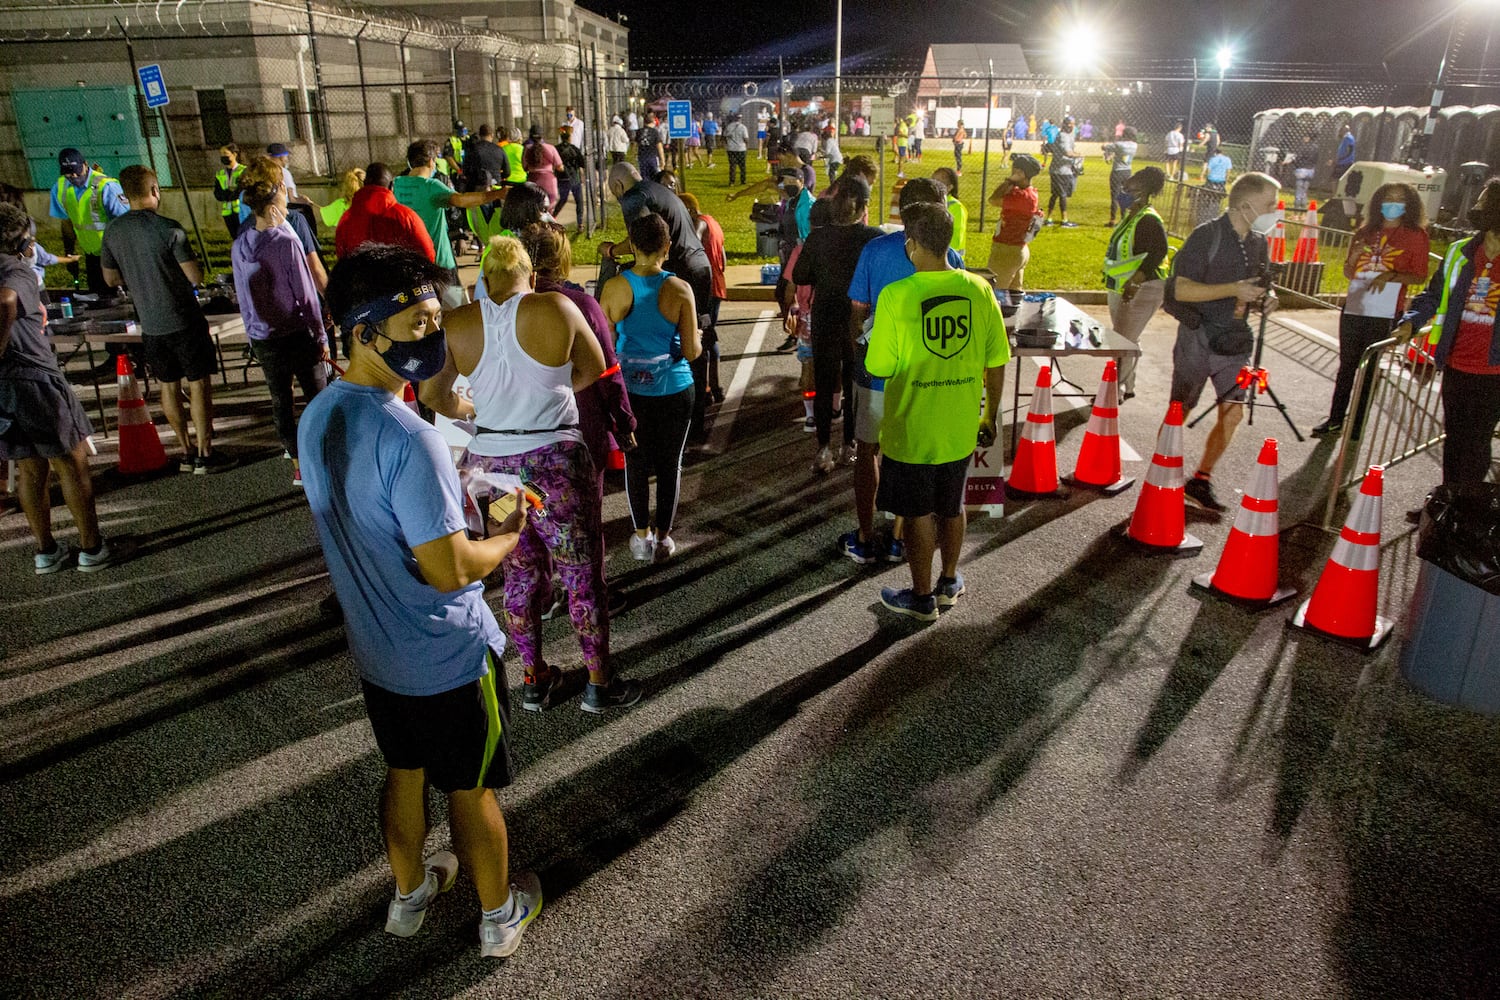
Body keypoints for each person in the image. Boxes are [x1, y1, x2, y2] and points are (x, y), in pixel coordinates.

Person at [307, 244, 540, 959]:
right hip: (446, 650)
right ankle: (499, 917)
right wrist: (505, 538)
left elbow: (374, 516)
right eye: (418, 322)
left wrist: (454, 493)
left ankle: (409, 896)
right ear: (363, 330)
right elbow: (448, 569)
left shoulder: (319, 415)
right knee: (471, 790)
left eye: (436, 317)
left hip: (379, 654)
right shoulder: (409, 438)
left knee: (404, 771)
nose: (433, 336)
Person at [422, 236, 640, 714]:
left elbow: (434, 395)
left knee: (518, 570)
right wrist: (551, 391)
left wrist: (473, 408)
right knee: (581, 572)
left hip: (496, 470)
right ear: (530, 275)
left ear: (485, 276)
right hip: (555, 462)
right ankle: (599, 682)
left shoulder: (458, 323)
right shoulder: (557, 308)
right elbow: (595, 367)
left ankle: (532, 677)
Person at [864, 201, 1009, 620]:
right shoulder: (980, 289)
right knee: (952, 503)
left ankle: (922, 596)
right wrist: (990, 415)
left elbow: (879, 365)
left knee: (915, 511)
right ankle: (949, 581)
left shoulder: (897, 296)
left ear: (911, 245)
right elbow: (996, 359)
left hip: (913, 425)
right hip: (961, 422)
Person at [843, 178, 967, 564]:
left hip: (879, 374)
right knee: (912, 456)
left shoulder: (875, 250)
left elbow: (857, 312)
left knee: (869, 450)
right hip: (929, 379)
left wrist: (860, 357)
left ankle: (865, 536)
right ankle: (900, 535)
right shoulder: (953, 261)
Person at [0, 202, 114, 573]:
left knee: (29, 468)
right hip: (34, 378)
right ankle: (91, 548)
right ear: (22, 240)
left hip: (6, 386)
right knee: (71, 460)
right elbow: (6, 301)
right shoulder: (14, 269)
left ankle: (47, 551)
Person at [1167, 172, 1281, 512]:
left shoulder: (1258, 242)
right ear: (1245, 205)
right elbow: (1179, 289)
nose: (1276, 211)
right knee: (1179, 411)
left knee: (1232, 414)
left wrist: (1267, 296)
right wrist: (1232, 289)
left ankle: (1201, 479)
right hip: (1198, 337)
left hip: (1234, 342)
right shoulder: (1207, 236)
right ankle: (1160, 476)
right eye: (1270, 205)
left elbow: (1262, 282)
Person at [100, 165, 226, 474]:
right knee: (198, 384)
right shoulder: (170, 229)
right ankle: (205, 452)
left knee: (167, 386)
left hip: (151, 324)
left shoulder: (113, 231)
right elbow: (195, 276)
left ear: (124, 195)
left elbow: (110, 278)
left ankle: (184, 451)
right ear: (155, 190)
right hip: (184, 318)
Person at [600, 214, 703, 562]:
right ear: (667, 246)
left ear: (632, 244)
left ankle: (641, 536)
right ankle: (663, 537)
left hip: (630, 393)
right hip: (674, 388)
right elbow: (691, 351)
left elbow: (604, 345)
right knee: (670, 464)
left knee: (636, 463)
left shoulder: (614, 288)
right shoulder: (679, 289)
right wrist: (698, 338)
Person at [1392, 177, 1500, 505]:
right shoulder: (1460, 252)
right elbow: (1433, 295)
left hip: (1494, 372)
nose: (1476, 209)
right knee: (1455, 437)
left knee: (1477, 441)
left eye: (1484, 202)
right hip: (1455, 363)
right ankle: (1450, 501)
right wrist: (1411, 322)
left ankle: (1464, 506)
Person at [231, 160, 330, 487]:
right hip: (297, 334)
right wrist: (321, 337)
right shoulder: (286, 241)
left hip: (264, 336)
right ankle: (322, 460)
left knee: (281, 401)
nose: (290, 196)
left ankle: (299, 464)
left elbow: (242, 295)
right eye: (285, 191)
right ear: (276, 198)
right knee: (317, 399)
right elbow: (305, 297)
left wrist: (251, 333)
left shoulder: (242, 242)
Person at [603, 161, 716, 436]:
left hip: (680, 267)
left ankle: (678, 411)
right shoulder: (654, 188)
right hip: (699, 264)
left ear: (618, 185)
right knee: (696, 334)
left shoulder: (633, 198)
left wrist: (611, 251)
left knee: (682, 341)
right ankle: (697, 415)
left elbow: (641, 238)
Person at [1311, 183, 1431, 439]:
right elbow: (1347, 272)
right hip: (1355, 307)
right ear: (1378, 202)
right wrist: (1353, 258)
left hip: (1385, 311)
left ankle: (1357, 422)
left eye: (1399, 200)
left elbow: (1420, 277)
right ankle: (1335, 419)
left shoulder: (1415, 235)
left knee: (1370, 367)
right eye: (1388, 199)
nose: (1392, 205)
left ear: (1409, 205)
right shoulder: (1365, 232)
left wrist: (1392, 275)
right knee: (1346, 367)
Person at [793, 178, 882, 473]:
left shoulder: (818, 238)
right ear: (864, 206)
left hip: (826, 315)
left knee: (825, 381)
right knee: (853, 382)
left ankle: (822, 450)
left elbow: (801, 275)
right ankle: (849, 446)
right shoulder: (873, 238)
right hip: (859, 318)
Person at [394, 140, 505, 305]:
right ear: (432, 161)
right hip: (440, 261)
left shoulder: (397, 184)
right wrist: (496, 195)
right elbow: (460, 200)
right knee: (456, 307)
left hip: (412, 262)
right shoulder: (431, 186)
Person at [1102, 167, 1171, 401]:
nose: (1124, 193)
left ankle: (1114, 391)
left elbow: (1159, 251)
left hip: (1142, 289)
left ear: (1142, 192)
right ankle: (1128, 386)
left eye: (1129, 189)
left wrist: (1135, 281)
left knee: (1122, 341)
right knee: (1127, 337)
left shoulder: (1148, 219)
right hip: (1123, 287)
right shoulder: (1132, 215)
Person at [49, 148, 128, 298]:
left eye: (77, 170)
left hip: (115, 254)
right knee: (101, 299)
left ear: (86, 165)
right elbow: (67, 223)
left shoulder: (106, 187)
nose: (73, 175)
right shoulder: (59, 188)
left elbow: (124, 223)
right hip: (92, 255)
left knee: (125, 298)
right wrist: (69, 253)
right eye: (68, 172)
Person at [679, 192, 727, 403]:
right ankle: (714, 385)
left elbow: (694, 241)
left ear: (688, 209)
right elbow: (723, 255)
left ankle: (707, 387)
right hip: (716, 283)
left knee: (703, 336)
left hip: (705, 286)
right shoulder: (713, 222)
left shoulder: (699, 223)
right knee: (709, 335)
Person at [335, 163, 436, 262]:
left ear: (364, 185)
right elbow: (427, 254)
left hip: (359, 278)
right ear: (392, 186)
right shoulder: (406, 217)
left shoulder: (346, 219)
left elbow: (342, 257)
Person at [986, 154, 1042, 297]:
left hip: (1007, 250)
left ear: (1020, 173)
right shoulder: (1030, 193)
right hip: (1018, 249)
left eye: (1014, 171)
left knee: (993, 294)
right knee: (1014, 295)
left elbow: (993, 200)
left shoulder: (1022, 197)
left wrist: (1009, 181)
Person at [1042, 118, 1078, 227]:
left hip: (1061, 169)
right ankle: (1064, 220)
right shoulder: (1063, 136)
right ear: (1065, 125)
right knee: (1062, 194)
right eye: (1069, 124)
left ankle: (1049, 219)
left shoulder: (1066, 135)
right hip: (1061, 171)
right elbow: (1067, 152)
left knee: (1055, 194)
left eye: (1073, 124)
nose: (1071, 126)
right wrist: (1079, 155)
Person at [1101, 126, 1139, 226]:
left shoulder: (1119, 144)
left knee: (1114, 196)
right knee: (1125, 196)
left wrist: (1106, 145)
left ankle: (1112, 219)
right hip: (1127, 172)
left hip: (1117, 172)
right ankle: (1123, 218)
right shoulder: (1135, 145)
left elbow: (1105, 147)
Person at [521, 124, 564, 209]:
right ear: (542, 136)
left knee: (534, 210)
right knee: (549, 208)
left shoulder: (527, 149)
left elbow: (525, 167)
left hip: (533, 181)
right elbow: (560, 166)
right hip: (549, 181)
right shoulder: (550, 148)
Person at [213, 143, 248, 240]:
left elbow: (243, 189)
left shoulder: (243, 170)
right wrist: (227, 195)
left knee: (245, 235)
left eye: (225, 153)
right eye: (221, 154)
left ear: (234, 154)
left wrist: (230, 194)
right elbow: (217, 193)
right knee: (235, 237)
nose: (223, 156)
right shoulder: (220, 173)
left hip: (242, 210)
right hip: (227, 212)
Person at [931, 167, 968, 257]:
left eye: (938, 183)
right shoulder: (931, 203)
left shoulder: (956, 207)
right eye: (932, 180)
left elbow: (956, 238)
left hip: (949, 260)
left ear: (950, 187)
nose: (933, 185)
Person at [465, 124, 511, 189]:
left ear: (480, 135)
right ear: (492, 135)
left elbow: (466, 169)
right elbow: (507, 172)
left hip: (479, 185)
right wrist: (497, 177)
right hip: (496, 185)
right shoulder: (499, 149)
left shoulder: (473, 149)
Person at [1292, 134, 1320, 210]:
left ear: (1308, 138)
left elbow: (1298, 158)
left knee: (1299, 189)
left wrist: (1294, 162)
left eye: (1304, 137)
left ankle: (1297, 206)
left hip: (1302, 169)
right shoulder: (1316, 147)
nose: (1303, 139)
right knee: (1305, 190)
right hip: (1310, 170)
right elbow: (1316, 159)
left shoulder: (1303, 147)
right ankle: (1304, 206)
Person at [636, 113, 665, 180]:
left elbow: (635, 144)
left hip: (642, 157)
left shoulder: (639, 131)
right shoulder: (654, 132)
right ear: (653, 121)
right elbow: (659, 147)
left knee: (644, 176)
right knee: (655, 176)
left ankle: (646, 188)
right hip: (652, 157)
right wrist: (662, 160)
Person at [724, 113, 750, 186]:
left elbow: (724, 137)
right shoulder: (743, 127)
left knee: (732, 166)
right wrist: (746, 146)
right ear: (740, 119)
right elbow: (746, 138)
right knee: (742, 166)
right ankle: (743, 180)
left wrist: (728, 144)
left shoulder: (728, 127)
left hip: (731, 148)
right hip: (741, 148)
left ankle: (732, 181)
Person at [823, 124, 844, 188]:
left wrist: (821, 153)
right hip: (839, 158)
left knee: (831, 173)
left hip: (835, 159)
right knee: (833, 172)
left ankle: (833, 187)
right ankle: (835, 185)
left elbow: (827, 152)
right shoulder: (833, 140)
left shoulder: (828, 141)